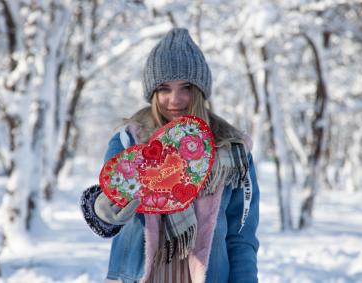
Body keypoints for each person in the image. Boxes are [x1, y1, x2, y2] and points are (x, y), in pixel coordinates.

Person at [80, 27, 260, 283]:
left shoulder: (232, 150)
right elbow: (111, 207)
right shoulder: (128, 141)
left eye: (186, 87)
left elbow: (241, 236)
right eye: (164, 88)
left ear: (200, 91)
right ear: (153, 93)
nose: (175, 99)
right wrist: (103, 209)